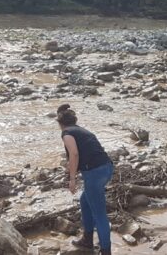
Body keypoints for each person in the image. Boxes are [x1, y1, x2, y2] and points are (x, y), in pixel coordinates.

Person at [57, 104, 114, 255]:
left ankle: (106, 251)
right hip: (106, 168)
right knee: (85, 201)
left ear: (60, 124)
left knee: (99, 214)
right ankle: (88, 240)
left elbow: (74, 154)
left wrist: (72, 179)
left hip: (95, 173)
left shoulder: (67, 133)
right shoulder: (81, 130)